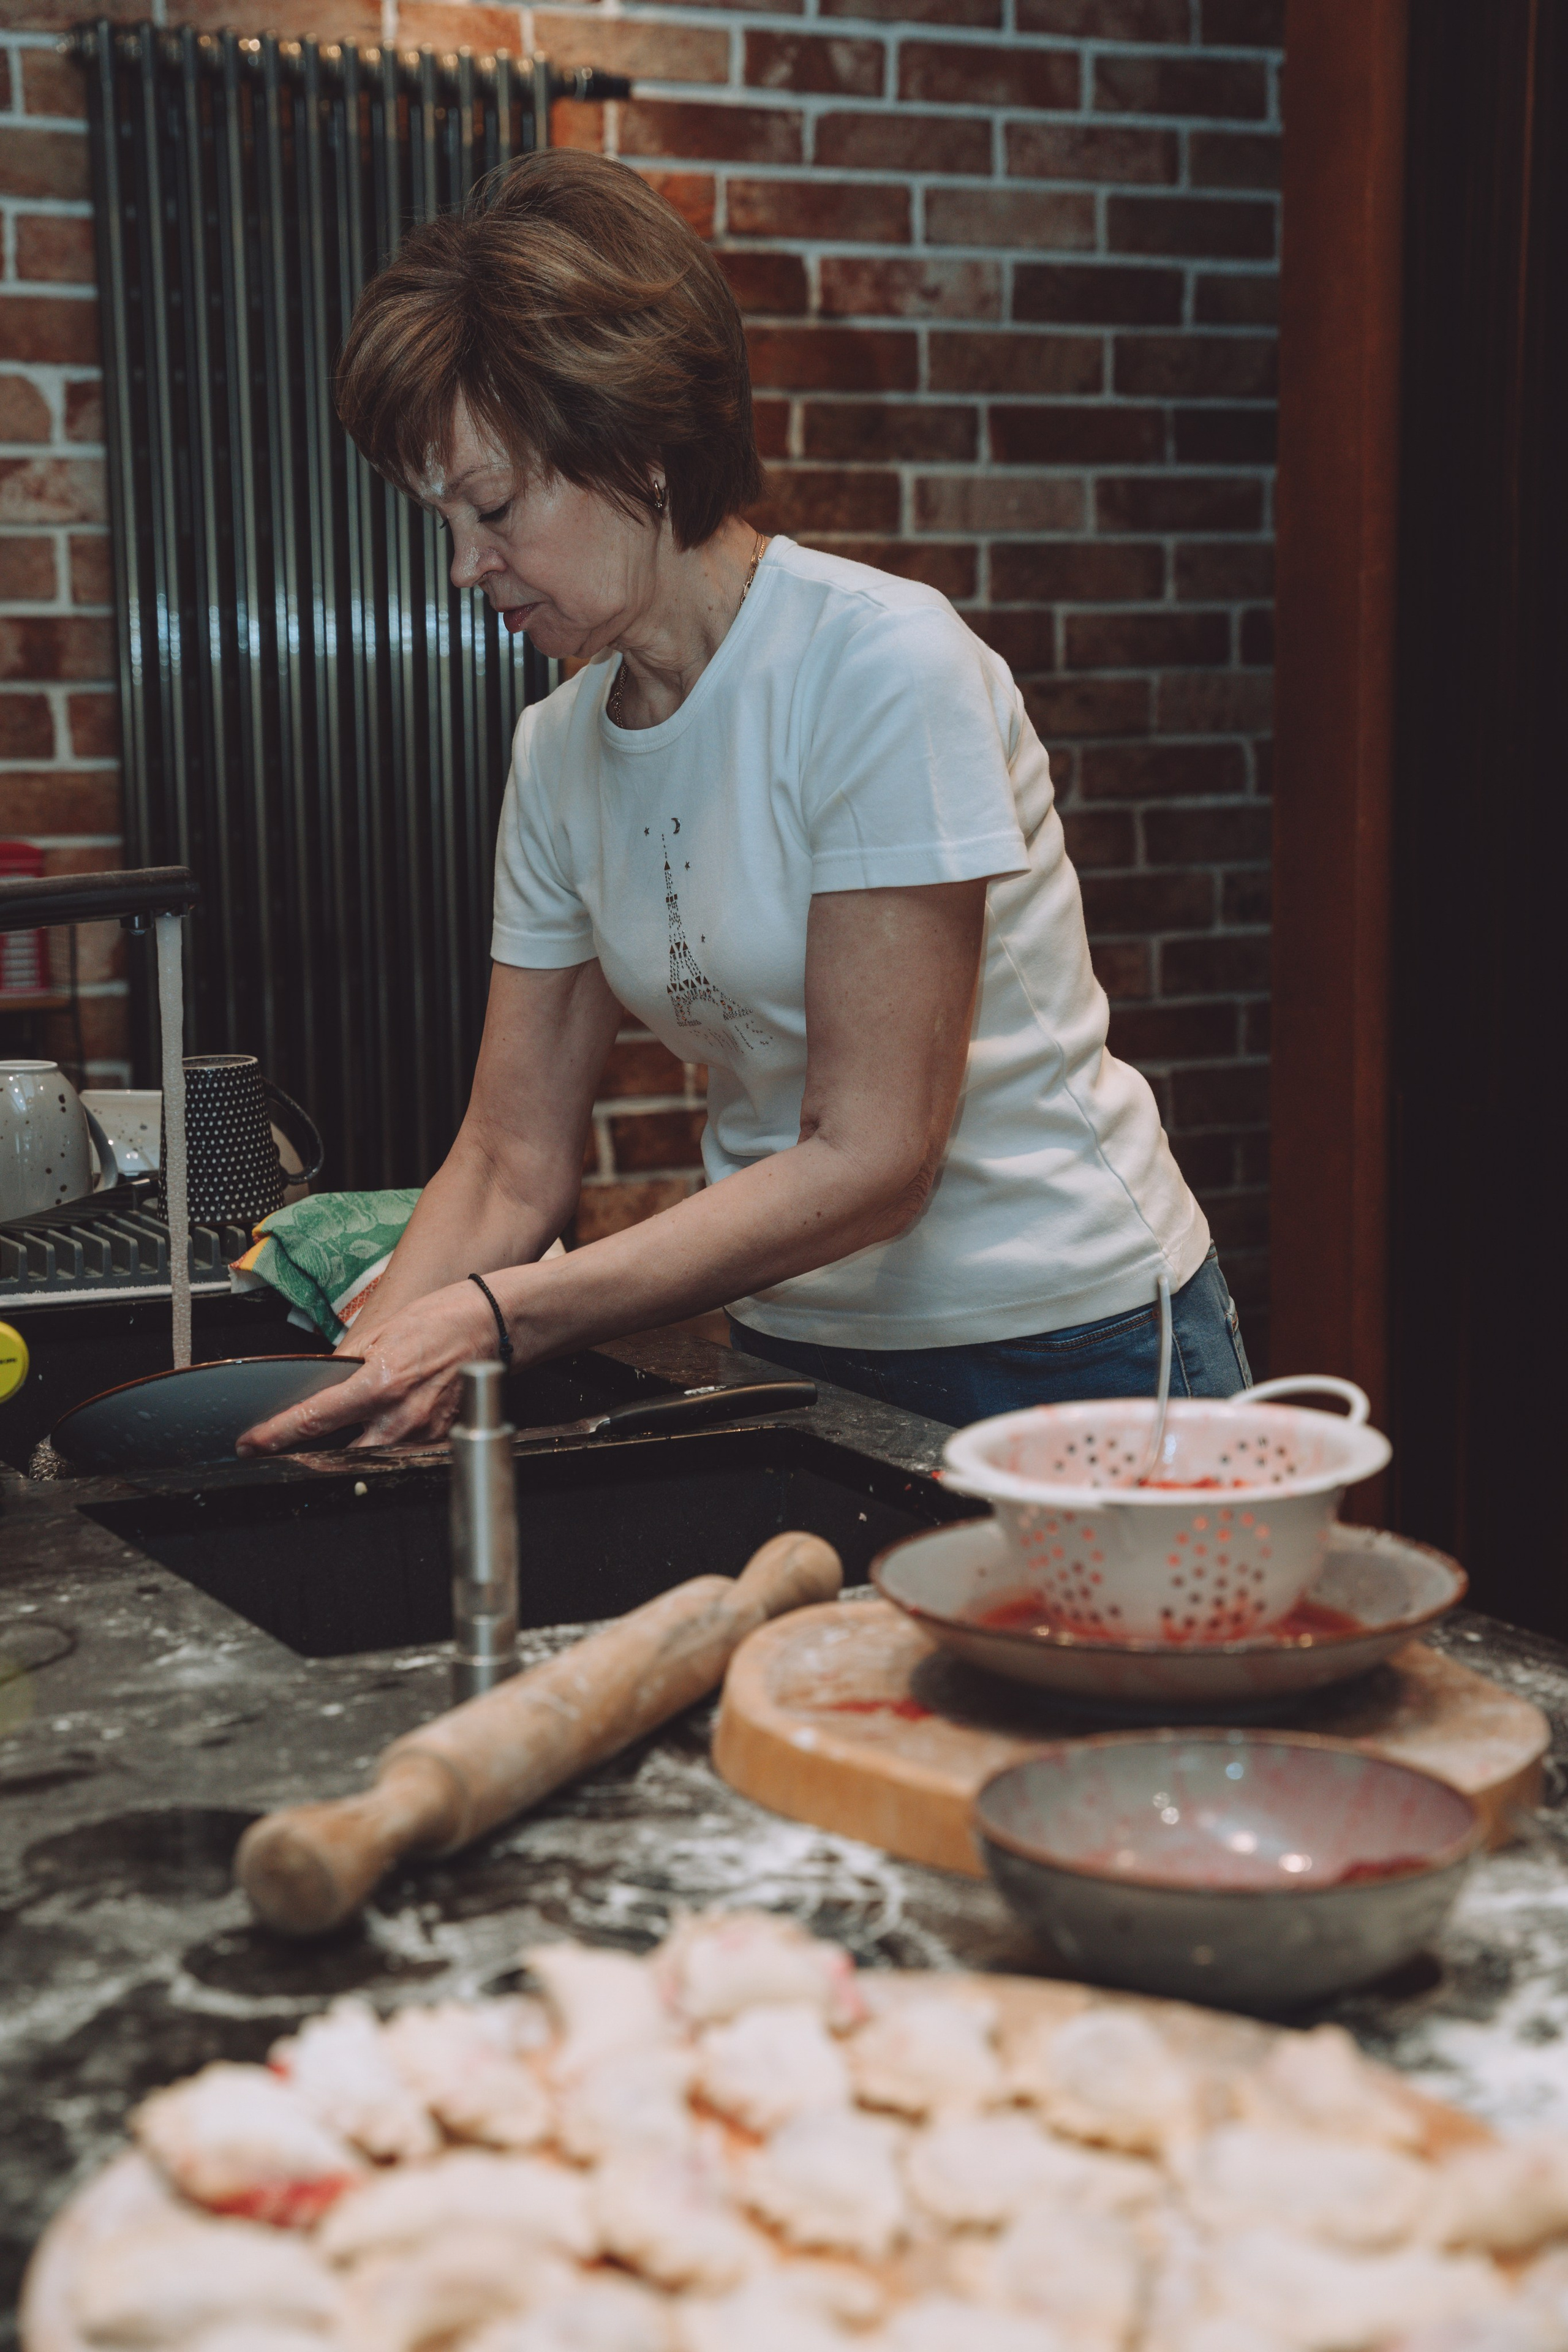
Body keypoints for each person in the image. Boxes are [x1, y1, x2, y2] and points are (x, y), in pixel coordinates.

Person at [240, 149, 1250, 1457]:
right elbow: (504, 1160)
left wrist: (507, 1313)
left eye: (489, 508)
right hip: (797, 1352)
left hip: (1066, 1345)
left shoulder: (880, 665)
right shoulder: (555, 751)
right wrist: (352, 1381)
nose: (459, 568)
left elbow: (875, 1157)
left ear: (639, 446)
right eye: (438, 519)